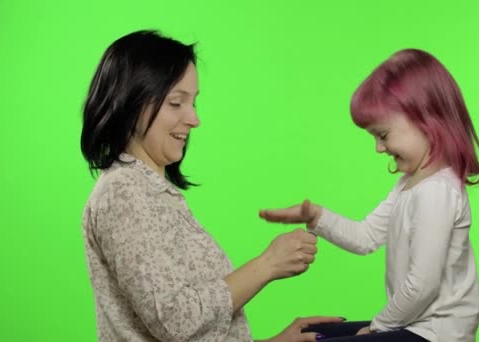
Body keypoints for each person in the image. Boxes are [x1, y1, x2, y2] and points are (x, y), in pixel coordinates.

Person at [80, 30, 342, 342]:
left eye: (193, 102)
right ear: (132, 103)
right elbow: (173, 320)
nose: (194, 119)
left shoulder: (150, 191)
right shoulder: (124, 193)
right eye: (176, 103)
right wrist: (268, 264)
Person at [259, 49, 479, 342]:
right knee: (310, 335)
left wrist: (376, 327)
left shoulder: (437, 192)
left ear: (427, 121)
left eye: (382, 135)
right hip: (413, 324)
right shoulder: (409, 184)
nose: (378, 148)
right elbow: (366, 237)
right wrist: (316, 217)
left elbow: (422, 285)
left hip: (437, 334)